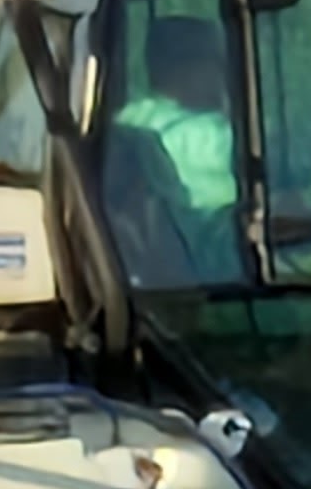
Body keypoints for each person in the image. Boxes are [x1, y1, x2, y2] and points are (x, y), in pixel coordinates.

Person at [102, 15, 245, 288]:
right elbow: (283, 161)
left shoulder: (128, 120)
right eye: (217, 62)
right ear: (183, 68)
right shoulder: (209, 136)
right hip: (211, 277)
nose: (226, 74)